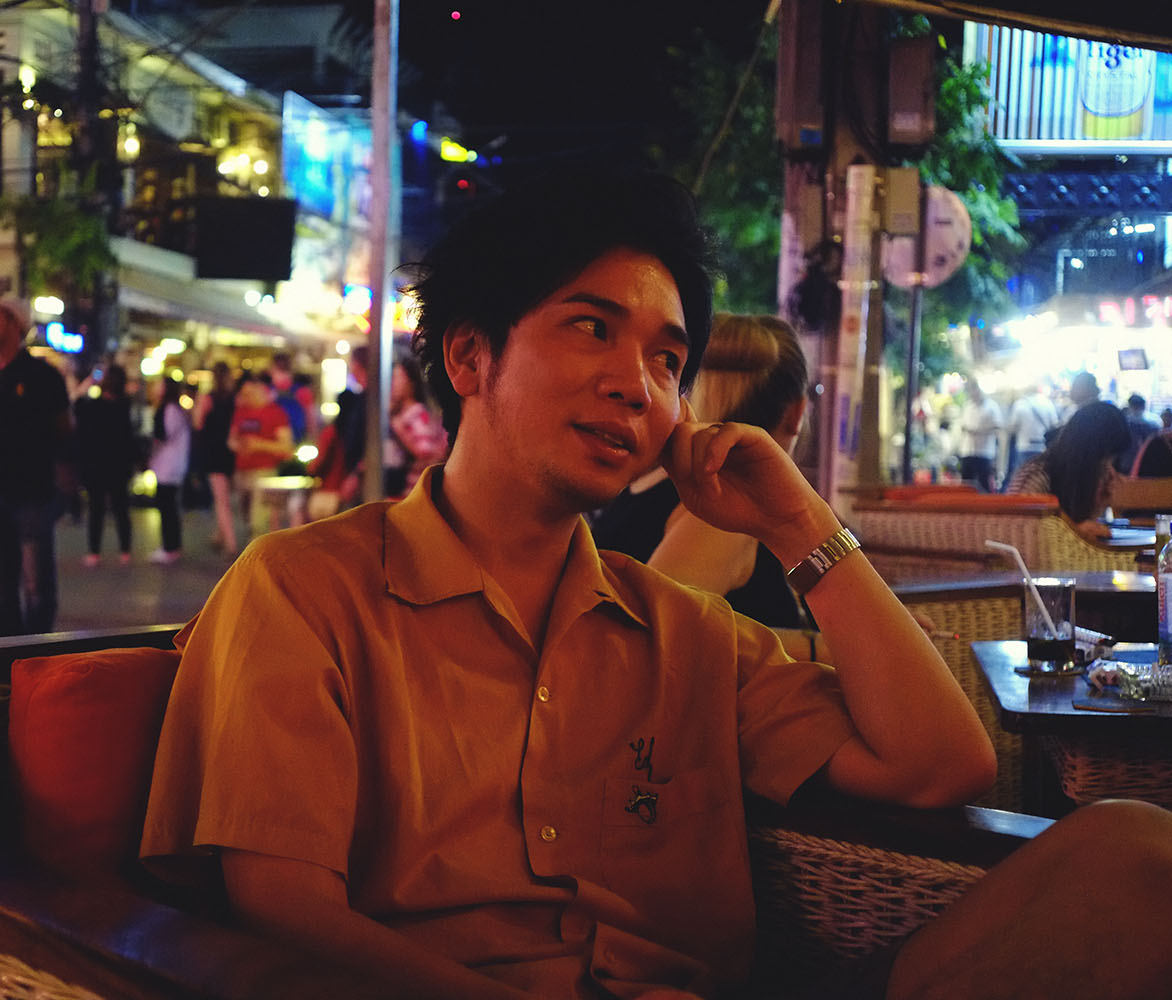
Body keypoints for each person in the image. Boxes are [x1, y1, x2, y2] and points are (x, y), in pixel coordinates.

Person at [140, 168, 1172, 1000]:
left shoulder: (680, 628)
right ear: (469, 356)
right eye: (592, 327)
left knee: (1134, 852)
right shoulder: (305, 590)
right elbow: (283, 907)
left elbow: (941, 765)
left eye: (668, 359)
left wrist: (798, 524)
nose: (636, 384)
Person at [638, 314, 823, 659]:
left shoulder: (658, 481)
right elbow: (652, 637)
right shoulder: (723, 507)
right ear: (796, 414)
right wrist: (824, 650)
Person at [0, 298, 70, 636]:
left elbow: (61, 427)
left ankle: (36, 651)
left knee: (37, 587)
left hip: (31, 490)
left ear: (16, 325)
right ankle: (3, 653)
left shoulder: (41, 375)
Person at [1007, 400, 1129, 540]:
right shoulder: (1037, 475)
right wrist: (1074, 532)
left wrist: (1101, 502)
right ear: (1090, 453)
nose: (1108, 466)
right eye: (1106, 458)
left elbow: (1084, 525)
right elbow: (1015, 532)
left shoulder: (1083, 476)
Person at [73, 363, 136, 566]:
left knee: (96, 509)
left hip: (96, 465)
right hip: (119, 465)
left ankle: (94, 552)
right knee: (121, 509)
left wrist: (90, 381)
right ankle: (125, 550)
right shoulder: (125, 406)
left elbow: (75, 402)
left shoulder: (93, 406)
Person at [227, 372, 292, 541]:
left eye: (250, 393)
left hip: (264, 471)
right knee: (246, 516)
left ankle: (257, 552)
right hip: (242, 471)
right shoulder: (241, 411)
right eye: (244, 394)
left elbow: (286, 447)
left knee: (259, 521)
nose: (246, 398)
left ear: (261, 390)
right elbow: (231, 439)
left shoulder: (275, 413)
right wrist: (240, 445)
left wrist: (259, 445)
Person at [191, 360, 238, 557]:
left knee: (221, 500)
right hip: (233, 450)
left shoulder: (208, 398)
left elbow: (197, 423)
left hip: (214, 452)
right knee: (226, 497)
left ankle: (230, 543)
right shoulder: (235, 398)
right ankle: (219, 536)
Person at [385, 355, 447, 498]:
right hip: (405, 490)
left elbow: (425, 450)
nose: (392, 383)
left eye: (397, 378)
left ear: (411, 383)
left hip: (412, 490)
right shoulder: (402, 413)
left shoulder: (415, 413)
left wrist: (398, 429)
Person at [147, 376, 191, 564]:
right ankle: (173, 546)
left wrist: (150, 452)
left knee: (166, 507)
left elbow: (163, 435)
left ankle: (169, 547)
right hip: (173, 465)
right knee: (170, 506)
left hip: (168, 465)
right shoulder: (176, 409)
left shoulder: (169, 409)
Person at [1003, 381, 1057, 484]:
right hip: (1042, 447)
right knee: (1040, 478)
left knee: (1023, 479)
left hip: (1024, 446)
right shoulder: (1047, 403)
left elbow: (1012, 427)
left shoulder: (1020, 404)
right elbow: (1054, 424)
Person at [957, 377, 1002, 491]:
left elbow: (997, 428)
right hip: (968, 450)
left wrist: (980, 432)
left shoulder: (991, 406)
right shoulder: (967, 406)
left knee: (984, 483)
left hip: (984, 451)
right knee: (966, 484)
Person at [1117, 392, 1160, 474]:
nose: (1136, 409)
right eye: (1134, 406)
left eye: (1138, 406)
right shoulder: (1124, 425)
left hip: (1137, 465)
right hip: (1130, 464)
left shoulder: (1151, 427)